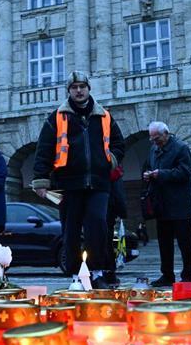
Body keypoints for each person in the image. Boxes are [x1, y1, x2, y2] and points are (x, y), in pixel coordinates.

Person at [32, 71, 125, 288]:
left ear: (89, 89)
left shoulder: (104, 116)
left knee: (98, 226)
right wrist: (41, 180)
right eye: (74, 87)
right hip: (68, 183)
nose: (79, 90)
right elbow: (44, 149)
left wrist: (110, 160)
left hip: (99, 183)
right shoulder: (56, 117)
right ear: (69, 91)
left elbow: (119, 144)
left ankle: (97, 272)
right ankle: (76, 275)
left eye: (82, 86)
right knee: (71, 230)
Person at [143, 122, 191, 287]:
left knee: (184, 243)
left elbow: (185, 172)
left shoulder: (181, 148)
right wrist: (148, 175)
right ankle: (167, 275)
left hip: (179, 204)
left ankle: (187, 276)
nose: (154, 142)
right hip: (161, 204)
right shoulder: (153, 150)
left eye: (157, 138)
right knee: (164, 243)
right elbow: (149, 167)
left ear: (166, 133)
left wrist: (160, 174)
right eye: (151, 139)